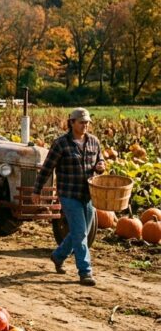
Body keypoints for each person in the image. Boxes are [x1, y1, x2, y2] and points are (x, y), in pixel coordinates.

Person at [33, 108, 106, 286]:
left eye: (87, 122)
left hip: (89, 195)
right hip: (69, 194)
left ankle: (58, 256)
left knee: (81, 232)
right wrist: (37, 190)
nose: (85, 125)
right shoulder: (61, 144)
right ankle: (85, 271)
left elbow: (100, 159)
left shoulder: (94, 142)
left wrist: (101, 164)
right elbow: (47, 168)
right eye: (81, 122)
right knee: (80, 233)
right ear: (71, 123)